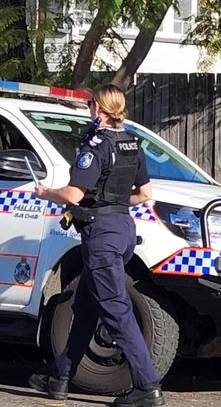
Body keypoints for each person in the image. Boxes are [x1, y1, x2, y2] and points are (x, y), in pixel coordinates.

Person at [28, 85, 165, 407]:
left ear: (99, 109)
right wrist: (112, 202)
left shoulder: (98, 144)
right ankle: (60, 378)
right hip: (123, 228)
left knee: (116, 311)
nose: (89, 109)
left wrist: (46, 192)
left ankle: (147, 387)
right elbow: (144, 194)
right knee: (86, 306)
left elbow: (74, 195)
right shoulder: (133, 143)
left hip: (102, 235)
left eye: (90, 104)